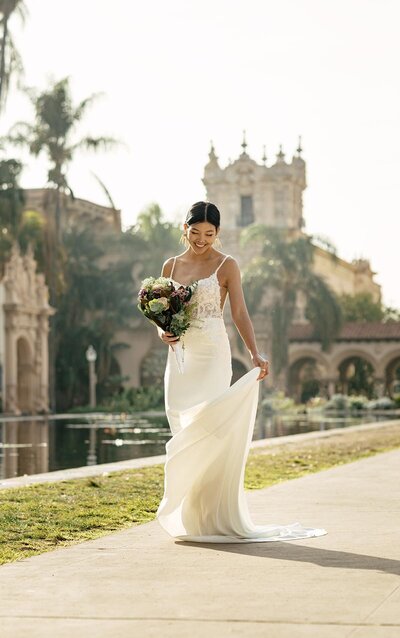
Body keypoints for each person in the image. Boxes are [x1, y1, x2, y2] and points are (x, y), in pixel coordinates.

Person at [155, 201, 326, 543]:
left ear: (218, 233)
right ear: (184, 230)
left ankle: (213, 515)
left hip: (213, 355)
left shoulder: (227, 264)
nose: (201, 239)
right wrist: (161, 332)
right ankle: (191, 514)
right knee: (181, 423)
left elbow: (240, 313)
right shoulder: (171, 265)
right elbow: (160, 312)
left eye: (209, 233)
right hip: (180, 356)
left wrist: (254, 351)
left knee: (211, 426)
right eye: (195, 232)